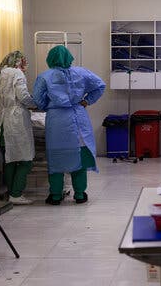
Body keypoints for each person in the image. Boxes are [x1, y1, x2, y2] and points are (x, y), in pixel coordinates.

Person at [33, 46, 105, 205]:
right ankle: (79, 194)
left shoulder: (44, 76)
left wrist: (47, 106)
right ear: (69, 57)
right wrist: (86, 101)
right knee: (79, 157)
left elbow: (38, 99)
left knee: (56, 158)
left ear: (50, 59)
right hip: (78, 116)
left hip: (57, 120)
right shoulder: (81, 73)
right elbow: (100, 85)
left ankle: (55, 196)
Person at [0, 51, 36, 205]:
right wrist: (35, 104)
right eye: (24, 62)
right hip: (17, 120)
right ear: (17, 62)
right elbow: (23, 96)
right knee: (25, 159)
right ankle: (16, 194)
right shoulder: (17, 73)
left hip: (3, 120)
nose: (25, 66)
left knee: (9, 160)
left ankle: (11, 193)